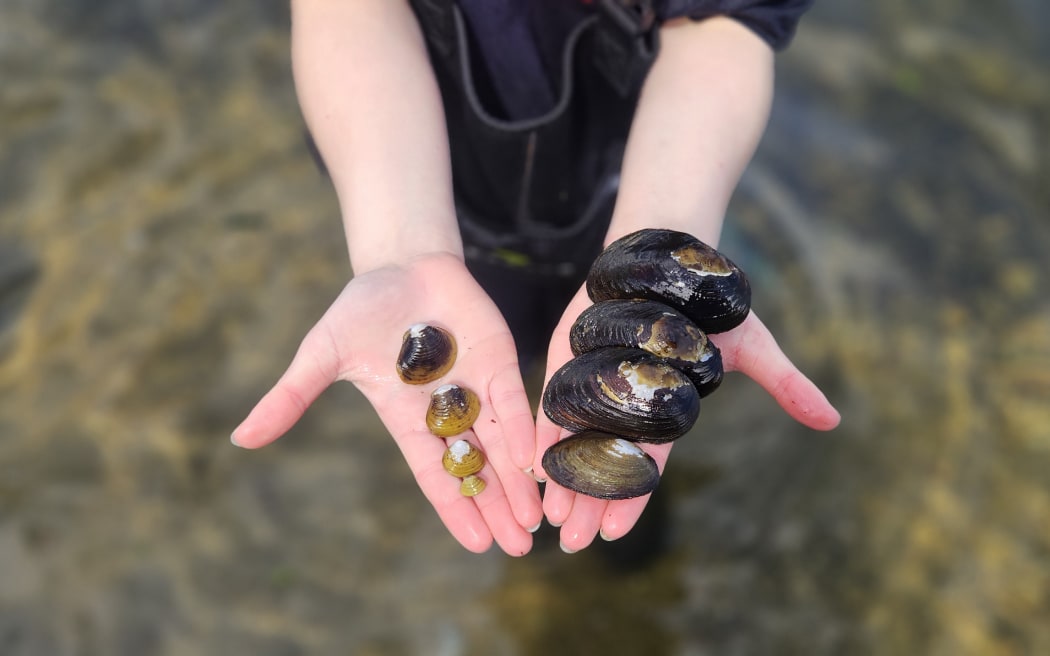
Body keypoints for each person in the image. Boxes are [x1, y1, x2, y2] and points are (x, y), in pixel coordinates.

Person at [230, 0, 841, 557]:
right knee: (514, 364)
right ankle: (551, 480)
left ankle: (600, 506)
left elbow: (722, 25)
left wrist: (661, 241)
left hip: (642, 185)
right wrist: (400, 246)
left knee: (595, 374)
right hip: (439, 207)